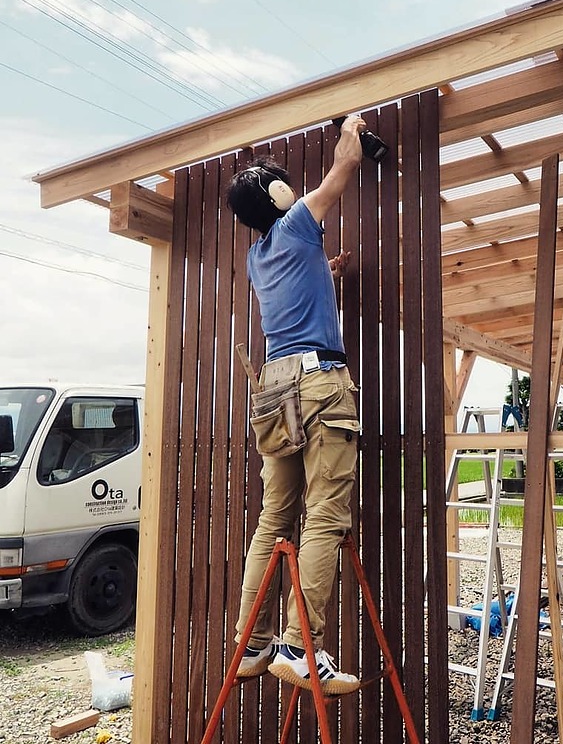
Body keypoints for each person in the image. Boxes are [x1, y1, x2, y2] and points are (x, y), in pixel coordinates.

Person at [226, 115, 367, 695]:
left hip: (274, 386)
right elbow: (344, 167)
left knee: (274, 517)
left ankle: (251, 644)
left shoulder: (262, 253)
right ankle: (299, 647)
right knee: (326, 515)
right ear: (278, 196)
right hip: (318, 383)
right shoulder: (299, 221)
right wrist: (353, 127)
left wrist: (326, 274)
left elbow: (298, 284)